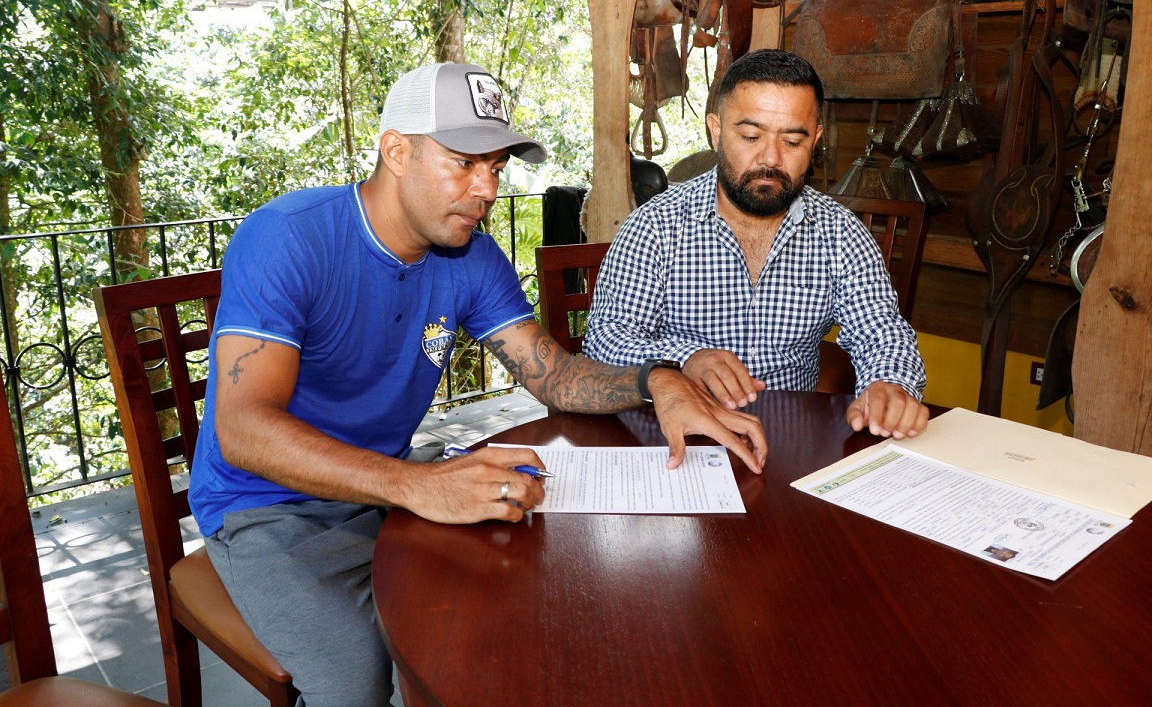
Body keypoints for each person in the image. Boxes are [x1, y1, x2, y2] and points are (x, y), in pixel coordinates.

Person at [187, 61, 767, 707]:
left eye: (495, 167)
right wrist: (416, 484)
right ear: (396, 151)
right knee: (354, 683)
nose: (486, 188)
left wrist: (657, 379)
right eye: (464, 162)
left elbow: (556, 375)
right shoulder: (289, 237)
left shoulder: (471, 255)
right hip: (265, 506)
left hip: (387, 484)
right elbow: (241, 430)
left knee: (509, 600)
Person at [584, 49, 929, 441]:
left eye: (793, 141)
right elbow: (607, 340)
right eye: (750, 136)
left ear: (815, 139)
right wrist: (684, 360)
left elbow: (881, 332)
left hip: (791, 442)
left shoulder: (840, 233)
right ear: (716, 131)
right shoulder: (656, 226)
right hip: (680, 436)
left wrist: (891, 385)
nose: (770, 158)